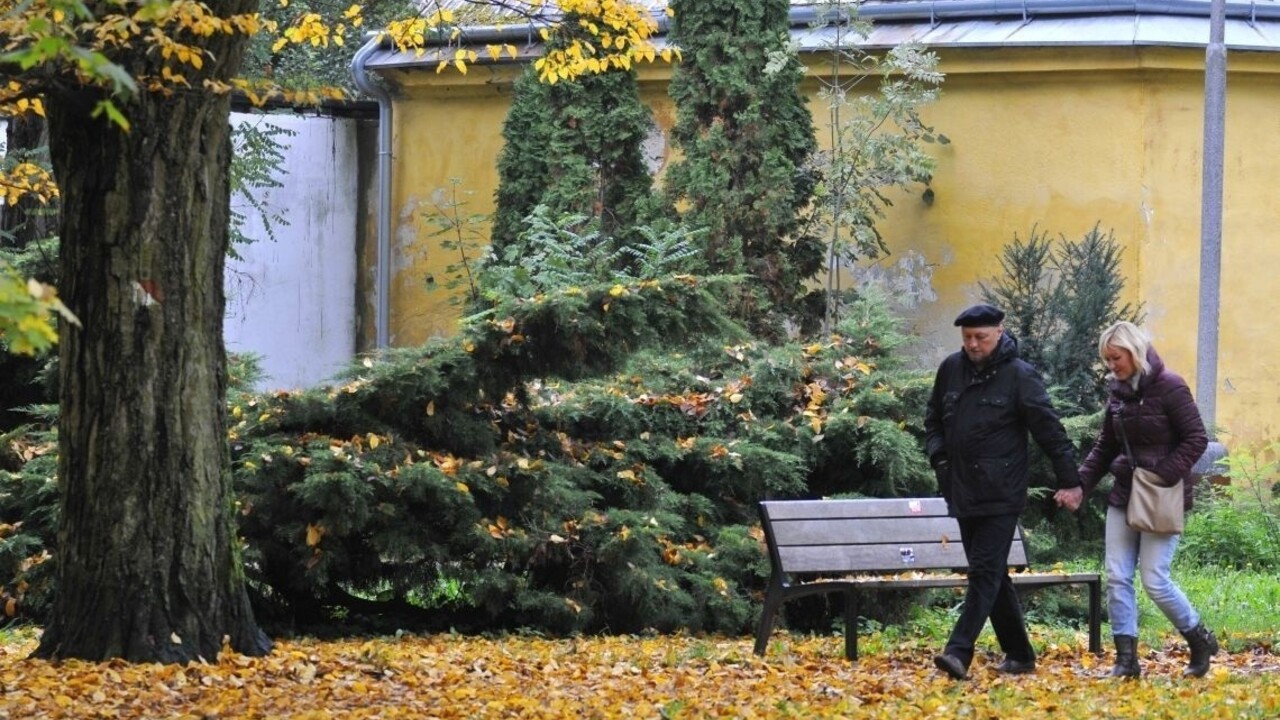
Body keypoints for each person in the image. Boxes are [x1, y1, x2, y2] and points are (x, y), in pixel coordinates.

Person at [1054, 321, 1219, 678]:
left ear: (1135, 352)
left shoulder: (1171, 387)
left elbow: (1196, 439)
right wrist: (1078, 485)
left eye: (1116, 358)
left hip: (1160, 495)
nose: (1111, 365)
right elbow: (1105, 446)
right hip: (1125, 495)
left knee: (1155, 579)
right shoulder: (1117, 393)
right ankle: (1126, 661)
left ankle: (1199, 637)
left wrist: (1159, 475)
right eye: (1107, 360)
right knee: (1117, 577)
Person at [925, 303, 1081, 680]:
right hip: (960, 490)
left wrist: (1071, 480)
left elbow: (1050, 431)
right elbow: (933, 420)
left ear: (999, 331)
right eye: (967, 338)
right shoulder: (950, 369)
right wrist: (939, 459)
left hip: (1001, 492)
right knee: (994, 575)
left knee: (983, 572)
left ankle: (958, 650)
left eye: (981, 337)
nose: (974, 345)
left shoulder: (1019, 376)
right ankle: (1021, 654)